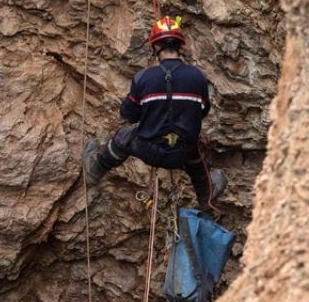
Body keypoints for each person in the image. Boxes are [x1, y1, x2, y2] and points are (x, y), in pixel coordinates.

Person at [83, 16, 226, 213]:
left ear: (156, 45)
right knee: (194, 144)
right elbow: (202, 112)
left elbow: (129, 114)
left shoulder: (144, 78)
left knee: (125, 135)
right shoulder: (198, 77)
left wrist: (152, 114)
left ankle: (95, 169)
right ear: (179, 45)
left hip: (149, 150)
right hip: (180, 154)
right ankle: (205, 195)